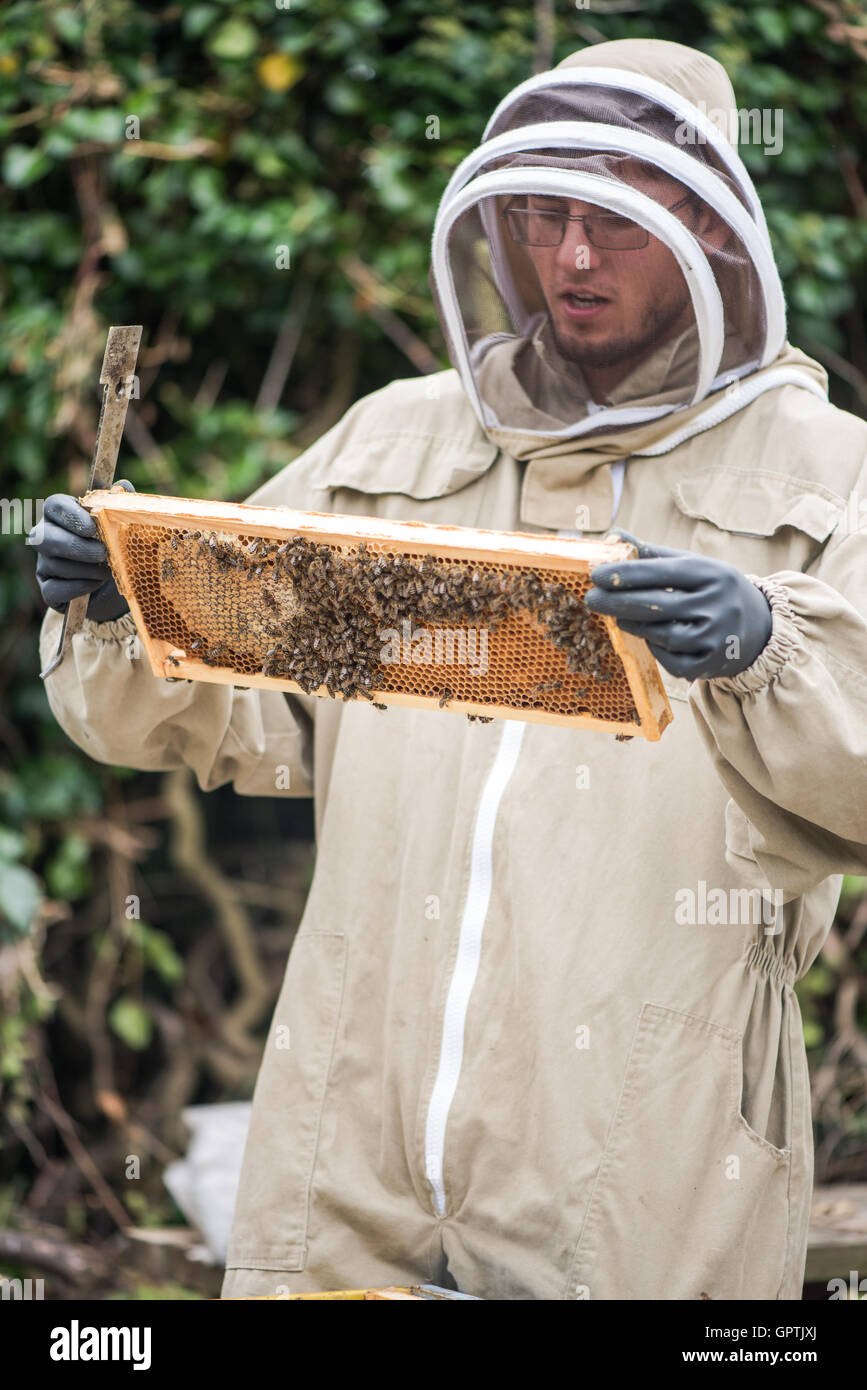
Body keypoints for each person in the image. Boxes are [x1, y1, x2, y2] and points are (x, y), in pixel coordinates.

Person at [33, 39, 867, 1300]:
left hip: (645, 1156)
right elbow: (240, 709)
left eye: (613, 220)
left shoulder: (826, 474)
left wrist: (770, 651)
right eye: (543, 216)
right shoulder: (397, 436)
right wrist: (128, 600)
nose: (571, 257)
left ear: (705, 220)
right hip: (349, 1139)